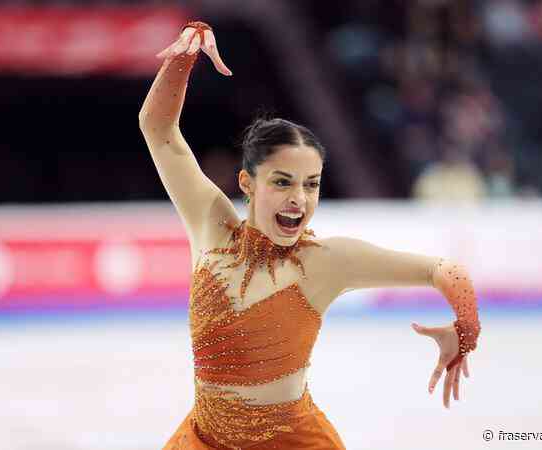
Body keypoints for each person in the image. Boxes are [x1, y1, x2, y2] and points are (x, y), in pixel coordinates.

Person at [139, 21, 482, 450]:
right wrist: (185, 53)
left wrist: (465, 330)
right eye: (282, 182)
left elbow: (442, 268)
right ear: (247, 183)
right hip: (204, 441)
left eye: (311, 184)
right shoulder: (212, 226)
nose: (299, 199)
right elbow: (158, 129)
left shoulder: (326, 261)